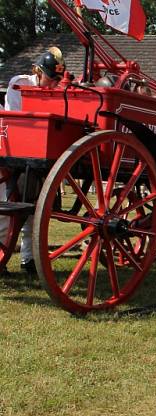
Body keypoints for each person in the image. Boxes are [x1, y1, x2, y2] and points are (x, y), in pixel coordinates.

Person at [3, 47, 65, 274]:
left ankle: (28, 258)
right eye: (50, 78)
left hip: (40, 157)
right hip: (16, 155)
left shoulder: (52, 91)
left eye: (56, 80)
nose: (52, 84)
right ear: (38, 72)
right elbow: (17, 120)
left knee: (34, 211)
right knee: (10, 210)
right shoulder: (19, 84)